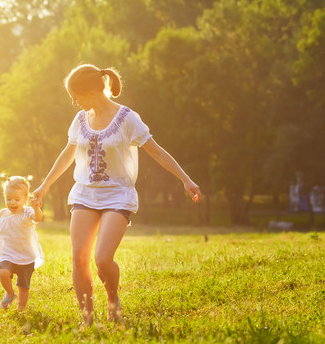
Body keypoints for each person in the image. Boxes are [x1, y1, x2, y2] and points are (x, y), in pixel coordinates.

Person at [32, 64, 201, 325]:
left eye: (76, 96)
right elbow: (67, 155)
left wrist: (185, 179)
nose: (73, 102)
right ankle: (87, 319)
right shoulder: (80, 120)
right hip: (85, 194)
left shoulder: (127, 119)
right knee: (79, 259)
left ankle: (113, 301)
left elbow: (156, 151)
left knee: (102, 259)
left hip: (118, 195)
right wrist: (45, 186)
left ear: (91, 92)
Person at [0, 174, 45, 311]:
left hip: (25, 256)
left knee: (23, 286)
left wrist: (36, 208)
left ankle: (21, 309)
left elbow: (37, 218)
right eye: (8, 199)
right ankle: (10, 293)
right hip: (8, 254)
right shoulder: (3, 214)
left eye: (17, 199)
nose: (12, 203)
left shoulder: (27, 212)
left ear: (25, 199)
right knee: (3, 272)